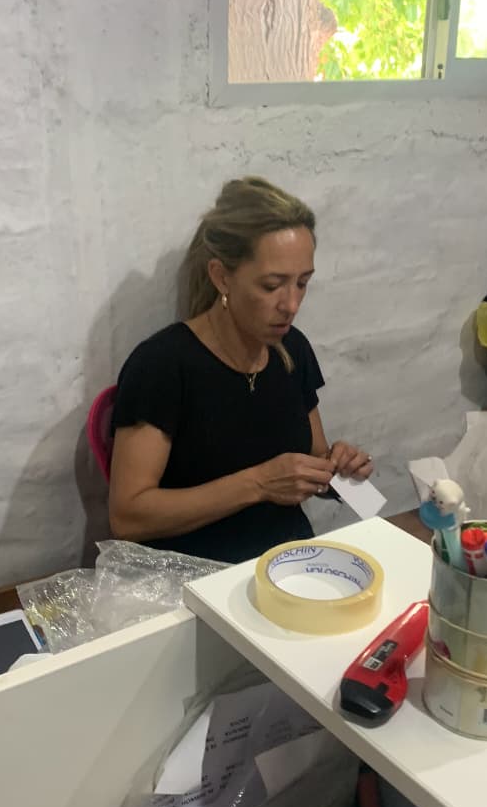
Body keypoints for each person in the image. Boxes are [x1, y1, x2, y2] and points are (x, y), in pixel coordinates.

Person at [108, 177, 374, 563]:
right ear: (221, 277)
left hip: (287, 563)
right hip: (194, 574)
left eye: (302, 283)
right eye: (272, 285)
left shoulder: (292, 350)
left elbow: (315, 458)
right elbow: (128, 517)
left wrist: (339, 468)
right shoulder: (162, 366)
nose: (291, 304)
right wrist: (259, 483)